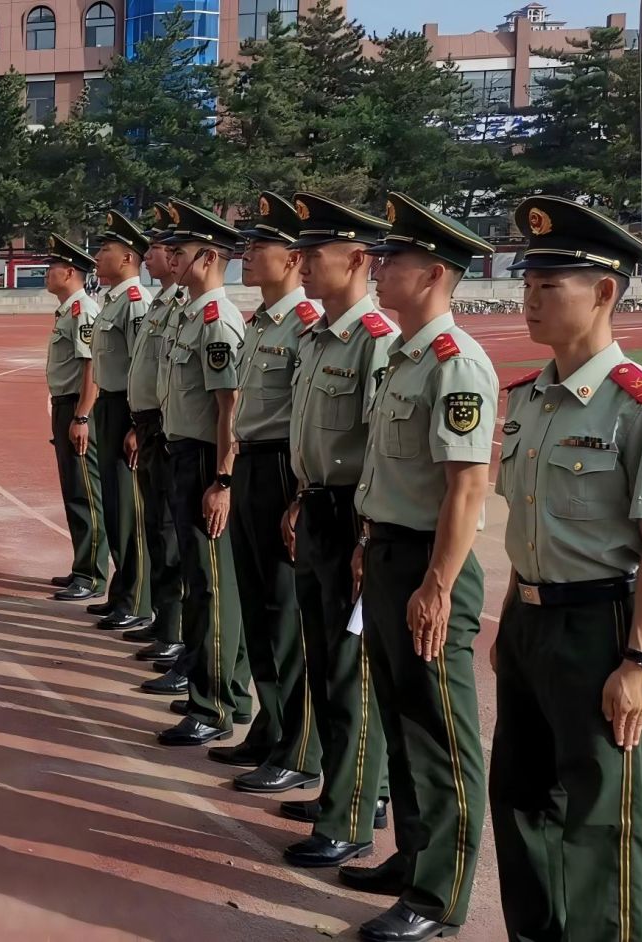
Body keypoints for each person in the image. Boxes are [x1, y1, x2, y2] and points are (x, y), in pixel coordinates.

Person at [492, 196, 642, 942]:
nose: (531, 299)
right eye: (527, 284)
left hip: (601, 628)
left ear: (604, 291)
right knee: (521, 799)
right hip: (529, 620)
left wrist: (640, 658)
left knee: (604, 817)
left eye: (549, 285)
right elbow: (527, 525)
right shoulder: (529, 400)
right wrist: (513, 620)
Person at [345, 192, 497, 942]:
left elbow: (467, 486)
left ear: (434, 274)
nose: (379, 269)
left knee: (438, 734)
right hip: (388, 552)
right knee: (402, 721)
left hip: (429, 565)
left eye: (393, 259)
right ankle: (411, 859)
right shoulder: (405, 358)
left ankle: (438, 895)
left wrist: (437, 585)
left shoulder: (454, 363)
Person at [279, 192, 395, 869]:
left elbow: (379, 447)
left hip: (354, 514)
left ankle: (352, 814)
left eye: (315, 253)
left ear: (356, 260)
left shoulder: (375, 341)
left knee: (351, 671)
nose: (303, 263)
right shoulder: (317, 337)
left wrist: (365, 535)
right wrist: (300, 495)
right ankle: (345, 790)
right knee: (324, 661)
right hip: (318, 507)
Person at [214, 192, 322, 790]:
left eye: (260, 246)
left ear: (293, 260)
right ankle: (272, 723)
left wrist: (299, 492)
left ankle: (299, 745)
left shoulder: (306, 327)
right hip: (252, 464)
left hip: (283, 469)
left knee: (286, 615)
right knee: (257, 607)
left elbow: (307, 419)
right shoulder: (260, 323)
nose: (247, 255)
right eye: (247, 245)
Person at [153, 201, 253, 747]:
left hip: (203, 460)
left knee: (211, 584)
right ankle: (224, 690)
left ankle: (213, 706)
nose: (171, 258)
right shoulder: (192, 314)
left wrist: (223, 480)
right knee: (203, 579)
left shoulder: (217, 320)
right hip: (184, 452)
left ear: (209, 258)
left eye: (181, 251)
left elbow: (228, 408)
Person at [123, 204, 192, 682]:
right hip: (153, 428)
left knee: (171, 538)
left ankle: (176, 631)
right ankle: (165, 624)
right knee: (158, 532)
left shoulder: (186, 309)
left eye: (161, 249)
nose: (149, 256)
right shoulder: (162, 306)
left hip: (173, 433)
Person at [85, 210, 156, 633]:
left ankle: (137, 599)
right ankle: (121, 591)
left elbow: (139, 369)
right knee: (114, 507)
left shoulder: (135, 303)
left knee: (130, 512)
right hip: (108, 407)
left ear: (128, 257)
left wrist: (134, 425)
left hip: (126, 410)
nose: (97, 257)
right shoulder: (113, 301)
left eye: (105, 249)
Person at [42, 233, 109, 606]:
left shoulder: (83, 310)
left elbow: (91, 367)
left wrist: (82, 415)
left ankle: (92, 575)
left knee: (86, 492)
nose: (46, 273)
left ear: (69, 272)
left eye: (52, 267)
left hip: (79, 408)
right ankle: (82, 564)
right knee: (73, 491)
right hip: (65, 405)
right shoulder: (68, 310)